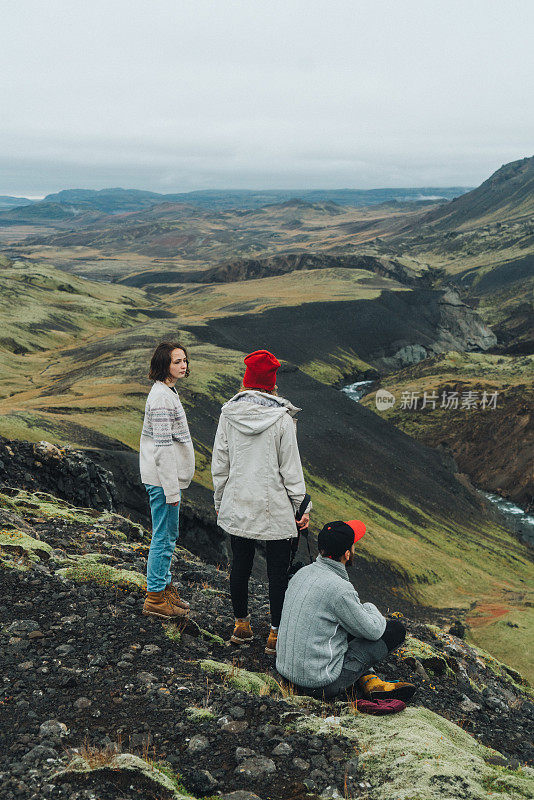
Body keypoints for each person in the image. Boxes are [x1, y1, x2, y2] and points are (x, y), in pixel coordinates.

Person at [211, 349, 311, 654]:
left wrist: (220, 500)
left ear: (246, 381)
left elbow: (220, 464)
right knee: (277, 573)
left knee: (239, 566)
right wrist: (302, 507)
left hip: (238, 503)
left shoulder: (228, 415)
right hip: (274, 508)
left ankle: (241, 626)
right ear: (272, 383)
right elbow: (290, 470)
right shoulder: (282, 420)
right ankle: (275, 635)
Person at [276, 520, 416, 701]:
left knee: (348, 623)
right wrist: (369, 607)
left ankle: (368, 679)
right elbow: (373, 631)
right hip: (320, 684)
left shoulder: (302, 573)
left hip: (286, 673)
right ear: (347, 554)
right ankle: (366, 680)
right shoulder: (340, 589)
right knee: (394, 630)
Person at [139, 342, 195, 619]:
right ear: (163, 365)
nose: (183, 365)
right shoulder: (161, 398)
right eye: (176, 361)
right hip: (162, 481)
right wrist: (172, 489)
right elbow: (162, 446)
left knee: (167, 535)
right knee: (164, 536)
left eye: (184, 360)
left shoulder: (167, 392)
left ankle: (163, 588)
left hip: (163, 479)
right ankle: (155, 597)